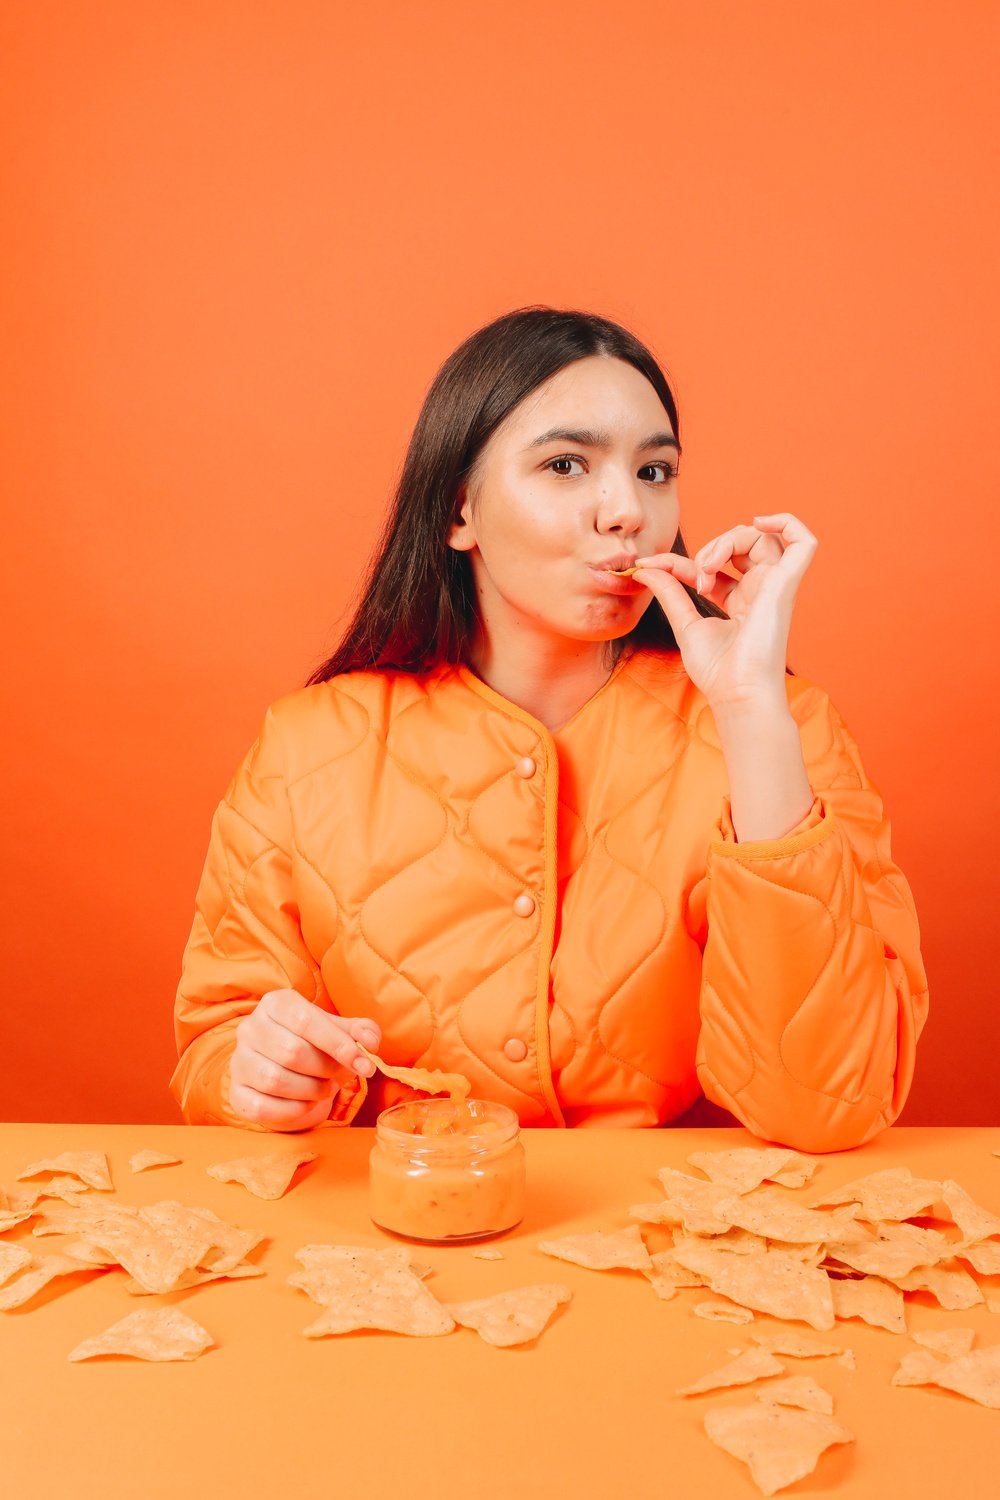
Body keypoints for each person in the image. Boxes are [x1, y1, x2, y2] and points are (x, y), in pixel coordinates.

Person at [171, 305, 928, 1152]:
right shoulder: (305, 746)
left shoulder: (787, 730)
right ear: (459, 510)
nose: (626, 512)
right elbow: (217, 1043)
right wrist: (257, 1073)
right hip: (398, 1239)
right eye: (567, 464)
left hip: (672, 1250)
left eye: (654, 471)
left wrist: (751, 712)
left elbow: (826, 1105)